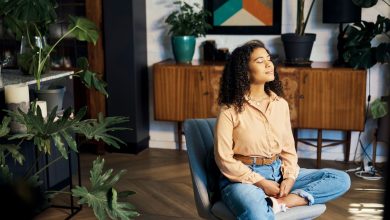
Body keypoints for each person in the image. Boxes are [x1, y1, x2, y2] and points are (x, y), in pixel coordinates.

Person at [214, 40, 351, 219]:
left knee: (340, 179)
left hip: (278, 171)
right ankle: (272, 203)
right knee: (256, 213)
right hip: (243, 178)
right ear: (244, 72)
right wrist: (262, 183)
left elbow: (288, 151)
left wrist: (289, 178)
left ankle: (280, 203)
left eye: (269, 59)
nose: (269, 64)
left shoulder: (281, 105)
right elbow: (224, 159)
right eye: (260, 61)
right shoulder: (229, 110)